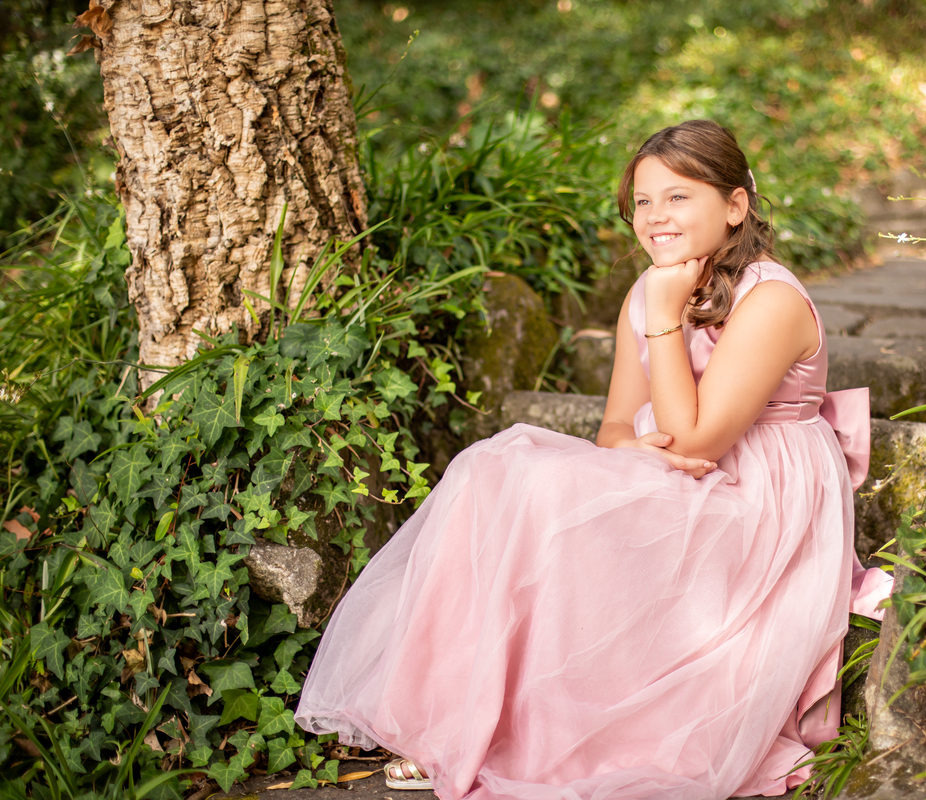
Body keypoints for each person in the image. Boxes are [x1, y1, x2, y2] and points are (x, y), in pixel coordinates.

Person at [295, 119, 892, 799]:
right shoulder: (650, 291)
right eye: (643, 201)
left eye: (678, 197)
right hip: (674, 468)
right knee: (492, 470)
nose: (655, 216)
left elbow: (698, 440)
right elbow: (615, 424)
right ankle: (460, 722)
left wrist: (664, 314)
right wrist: (632, 445)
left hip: (758, 497)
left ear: (735, 205)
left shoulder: (770, 299)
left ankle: (530, 732)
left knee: (544, 491)